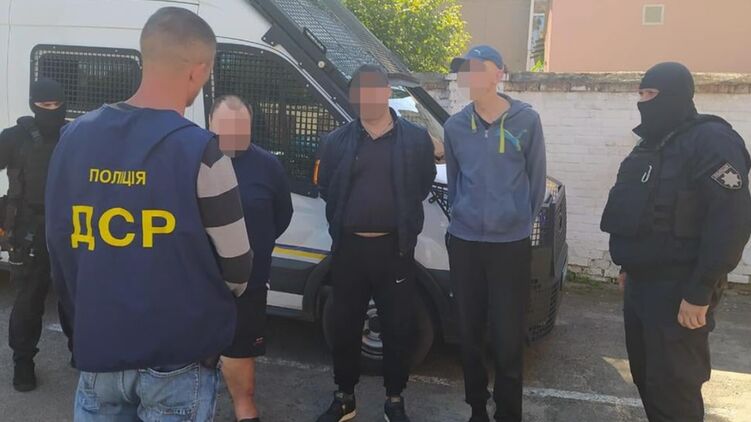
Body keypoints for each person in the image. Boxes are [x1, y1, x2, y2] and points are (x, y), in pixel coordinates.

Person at [44, 8, 253, 421]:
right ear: (198, 70)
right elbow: (238, 269)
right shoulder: (205, 152)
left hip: (100, 348)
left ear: (146, 56)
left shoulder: (73, 137)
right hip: (178, 357)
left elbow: (60, 247)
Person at [601, 62, 751, 422]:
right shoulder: (651, 144)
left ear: (676, 95)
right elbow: (638, 210)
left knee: (675, 389)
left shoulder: (712, 140)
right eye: (641, 93)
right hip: (641, 287)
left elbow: (730, 221)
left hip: (681, 289)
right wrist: (628, 267)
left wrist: (700, 290)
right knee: (647, 380)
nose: (643, 101)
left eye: (651, 93)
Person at [315, 64, 436, 422]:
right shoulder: (335, 141)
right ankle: (344, 397)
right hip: (349, 250)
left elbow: (423, 183)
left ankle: (394, 400)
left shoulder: (416, 140)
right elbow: (328, 188)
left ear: (386, 92)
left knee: (397, 328)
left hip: (394, 249)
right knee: (344, 327)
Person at [443, 45, 547, 422]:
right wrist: (465, 217)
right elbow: (455, 183)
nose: (467, 76)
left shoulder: (527, 121)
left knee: (508, 337)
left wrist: (515, 221)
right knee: (469, 333)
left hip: (510, 247)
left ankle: (508, 413)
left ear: (498, 73)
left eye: (476, 68)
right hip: (465, 244)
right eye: (464, 70)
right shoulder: (455, 127)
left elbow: (536, 182)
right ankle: (476, 408)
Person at [209, 95, 293, 422]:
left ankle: (244, 411)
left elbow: (281, 217)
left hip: (250, 283)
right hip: (202, 283)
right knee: (194, 359)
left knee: (242, 359)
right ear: (210, 126)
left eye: (239, 129)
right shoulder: (193, 163)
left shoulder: (268, 166)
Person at [0, 78, 68, 391]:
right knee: (29, 299)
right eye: (44, 105)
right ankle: (23, 361)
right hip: (30, 229)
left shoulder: (75, 134)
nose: (51, 111)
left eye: (56, 105)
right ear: (33, 105)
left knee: (75, 296)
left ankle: (81, 351)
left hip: (70, 226)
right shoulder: (14, 137)